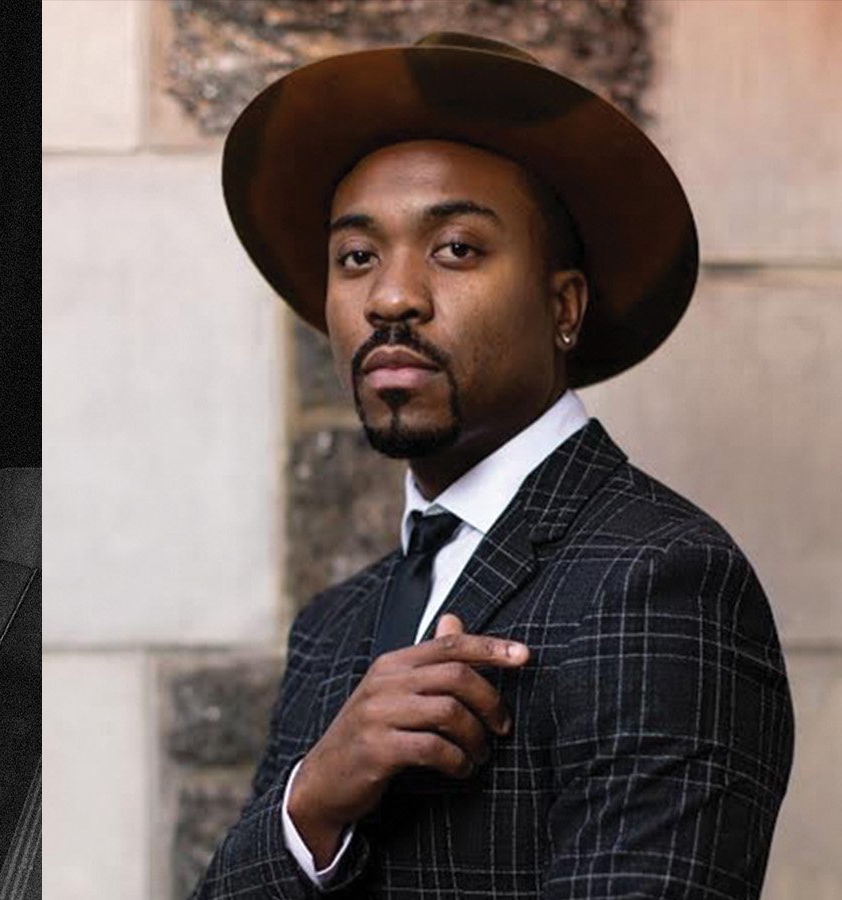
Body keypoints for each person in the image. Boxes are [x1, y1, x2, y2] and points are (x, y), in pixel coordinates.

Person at [195, 33, 792, 898]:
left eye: (457, 249)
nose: (390, 297)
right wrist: (312, 803)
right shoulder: (333, 626)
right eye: (356, 257)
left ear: (562, 306)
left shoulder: (662, 577)